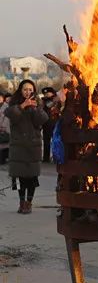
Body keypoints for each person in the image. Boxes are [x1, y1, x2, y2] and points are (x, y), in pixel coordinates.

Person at [6, 80, 48, 214]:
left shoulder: (38, 104)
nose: (28, 92)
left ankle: (29, 202)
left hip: (33, 146)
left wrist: (35, 108)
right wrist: (22, 106)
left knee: (32, 178)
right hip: (18, 147)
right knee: (20, 178)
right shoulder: (14, 104)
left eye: (30, 89)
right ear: (20, 90)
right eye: (25, 89)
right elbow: (11, 115)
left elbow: (42, 120)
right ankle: (21, 202)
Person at [41, 87, 61, 163]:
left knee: (56, 142)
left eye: (48, 93)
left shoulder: (56, 100)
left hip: (55, 123)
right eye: (45, 93)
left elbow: (50, 106)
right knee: (46, 142)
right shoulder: (43, 101)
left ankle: (56, 157)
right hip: (45, 124)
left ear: (52, 93)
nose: (46, 94)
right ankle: (46, 158)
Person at [0, 94, 9, 164]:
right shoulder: (3, 106)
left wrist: (3, 126)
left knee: (4, 143)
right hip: (2, 127)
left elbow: (6, 118)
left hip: (5, 128)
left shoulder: (6, 106)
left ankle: (3, 158)